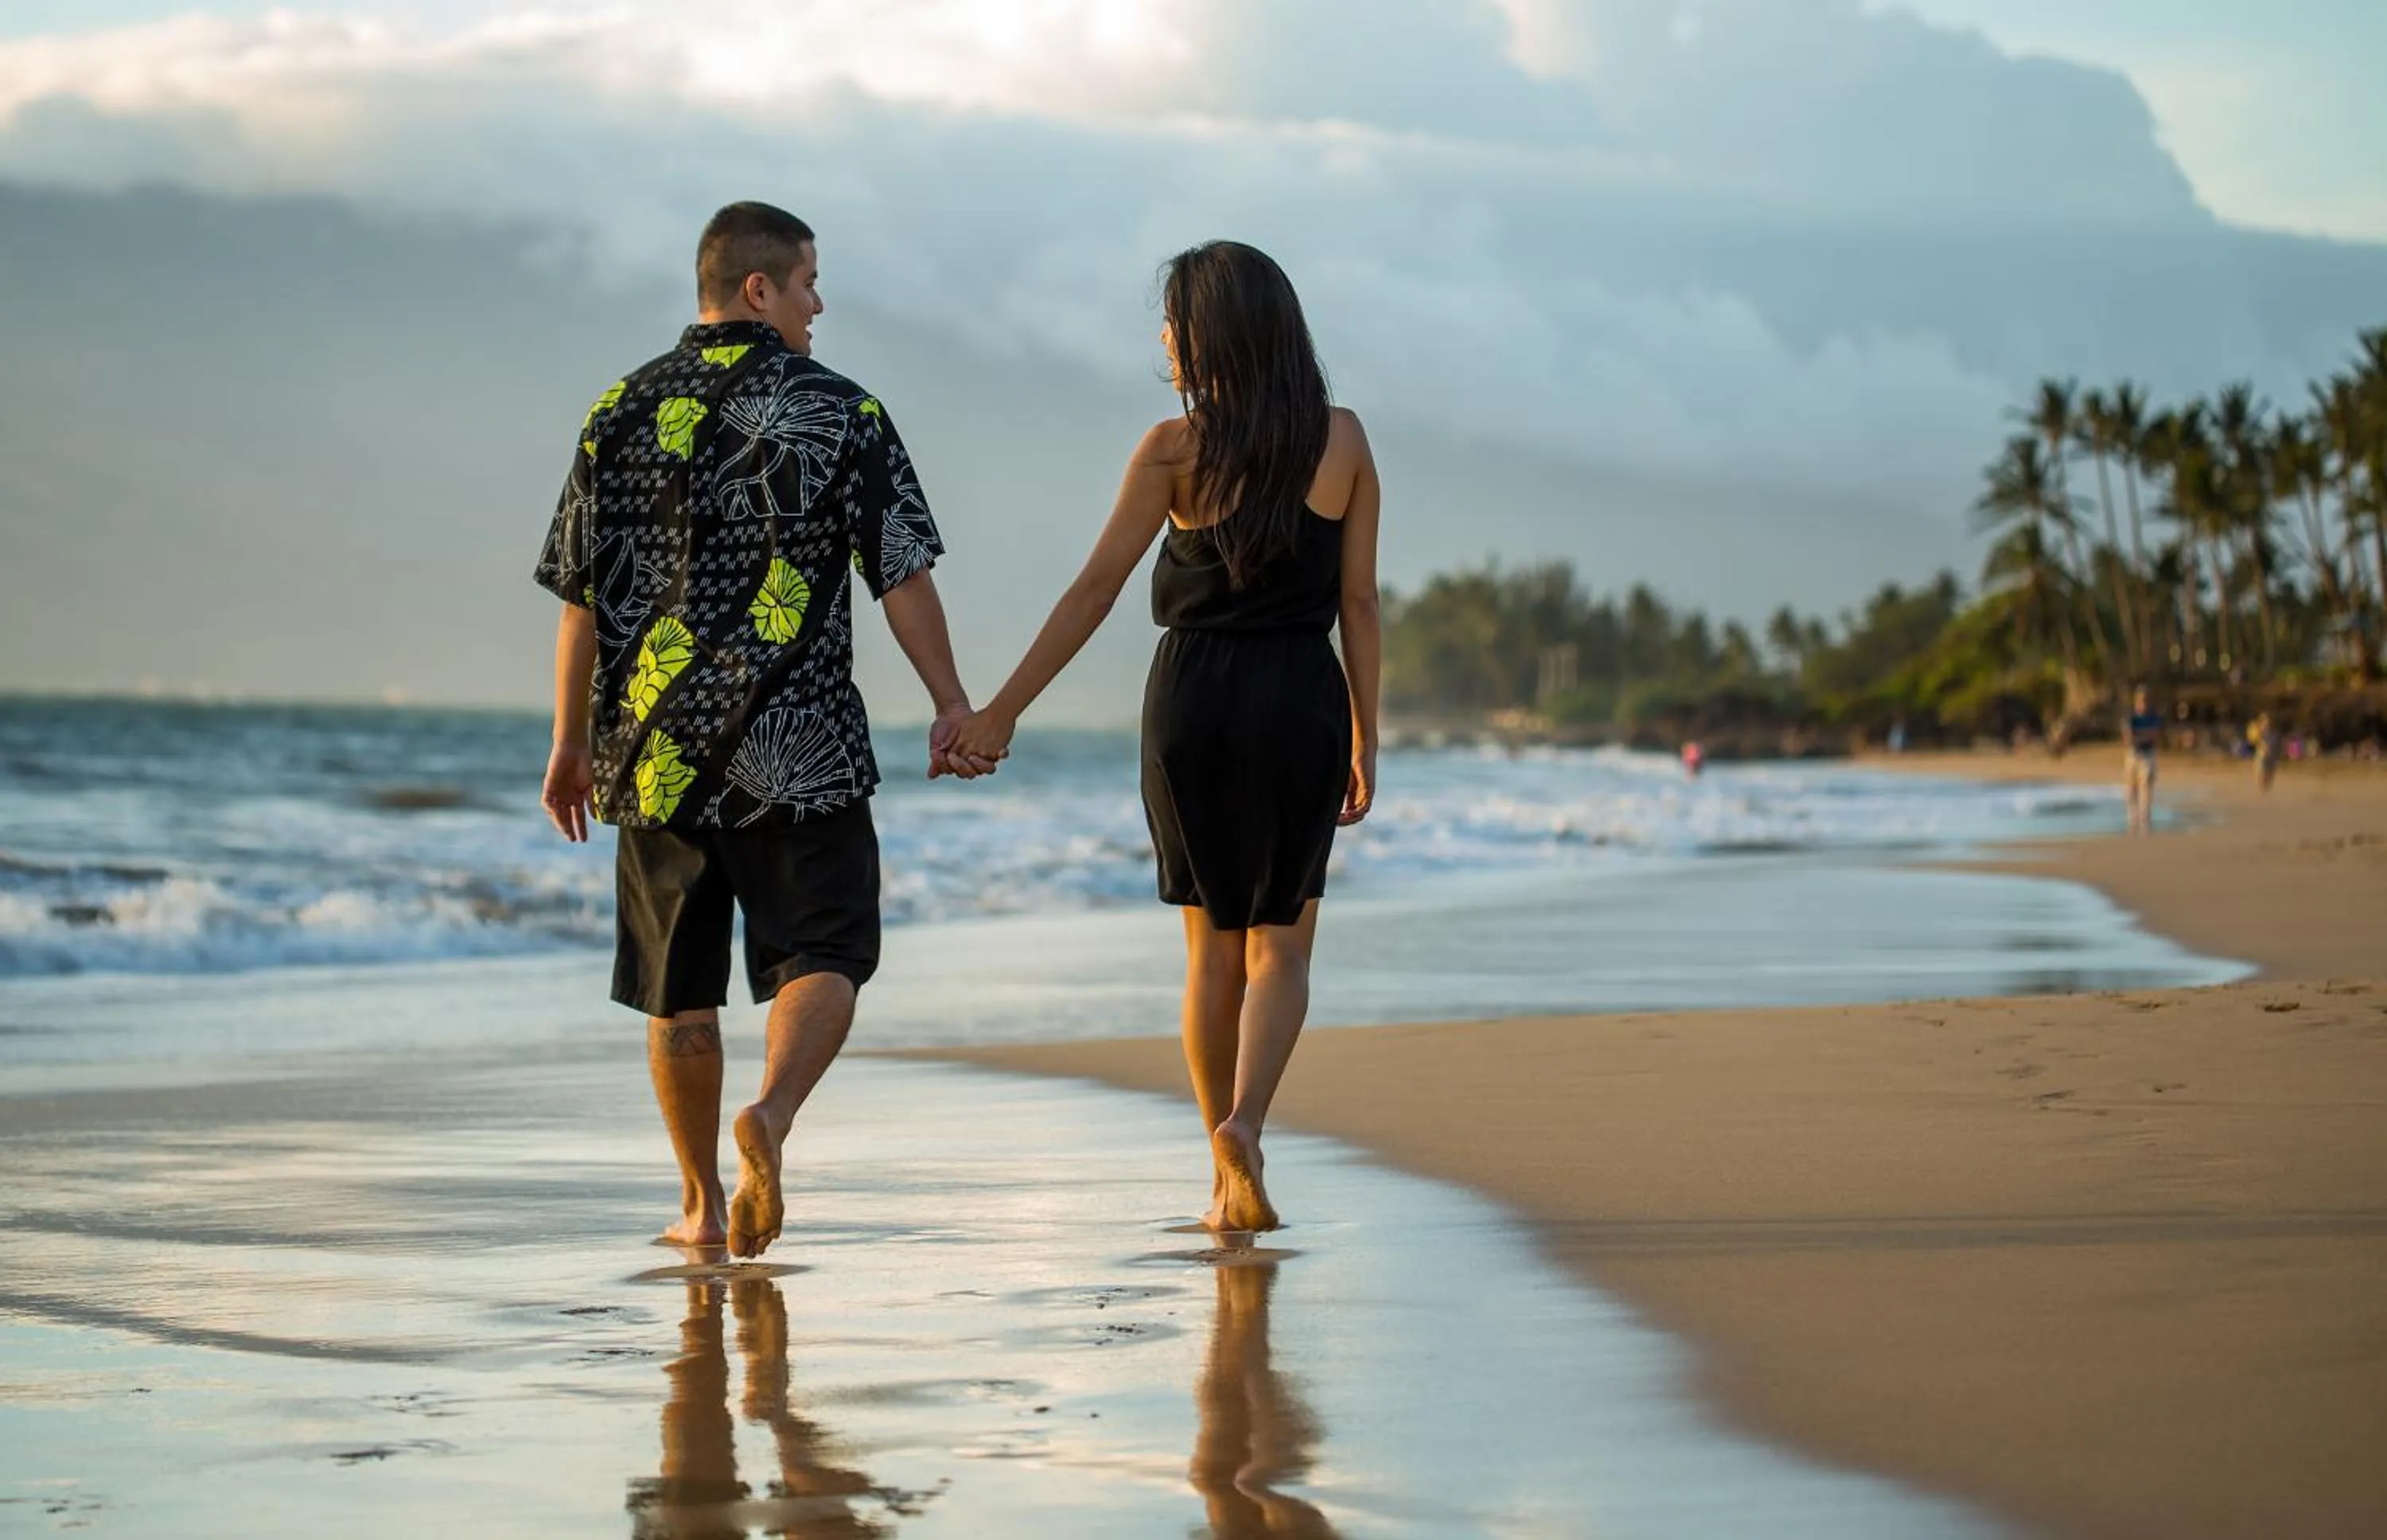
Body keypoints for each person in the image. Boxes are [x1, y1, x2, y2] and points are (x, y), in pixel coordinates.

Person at [534, 201, 989, 1259]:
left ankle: (697, 1206)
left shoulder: (621, 407)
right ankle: (772, 1117)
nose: (818, 304)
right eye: (807, 282)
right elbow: (902, 573)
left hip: (652, 750)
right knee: (824, 953)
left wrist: (567, 744)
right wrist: (951, 703)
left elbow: (581, 599)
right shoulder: (843, 412)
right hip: (803, 747)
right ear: (758, 290)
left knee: (677, 990)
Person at [944, 241, 1382, 1234]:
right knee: (1283, 947)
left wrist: (1001, 711)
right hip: (1300, 698)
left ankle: (1216, 1164)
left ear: (1211, 333)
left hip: (1192, 701)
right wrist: (1367, 734)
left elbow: (1093, 591)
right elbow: (1358, 602)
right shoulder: (1344, 440)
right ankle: (1248, 1127)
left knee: (1209, 951)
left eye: (1174, 320)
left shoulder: (1172, 448)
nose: (1164, 338)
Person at [2123, 686, 2162, 835]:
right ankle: (2133, 817)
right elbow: (2128, 738)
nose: (2143, 704)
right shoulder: (2131, 717)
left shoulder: (2153, 717)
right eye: (2140, 700)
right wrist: (2140, 736)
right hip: (2133, 755)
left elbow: (2154, 735)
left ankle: (2145, 817)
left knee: (2146, 784)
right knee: (2131, 788)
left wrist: (2139, 736)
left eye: (2145, 700)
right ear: (2136, 702)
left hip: (2148, 754)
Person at [2249, 712, 2281, 793]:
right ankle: (2261, 789)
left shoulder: (2273, 733)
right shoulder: (2257, 731)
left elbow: (2276, 744)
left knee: (2270, 774)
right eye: (2264, 721)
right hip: (2262, 753)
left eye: (2267, 722)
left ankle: (2265, 789)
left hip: (2271, 755)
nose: (2266, 724)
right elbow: (2254, 741)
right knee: (2260, 772)